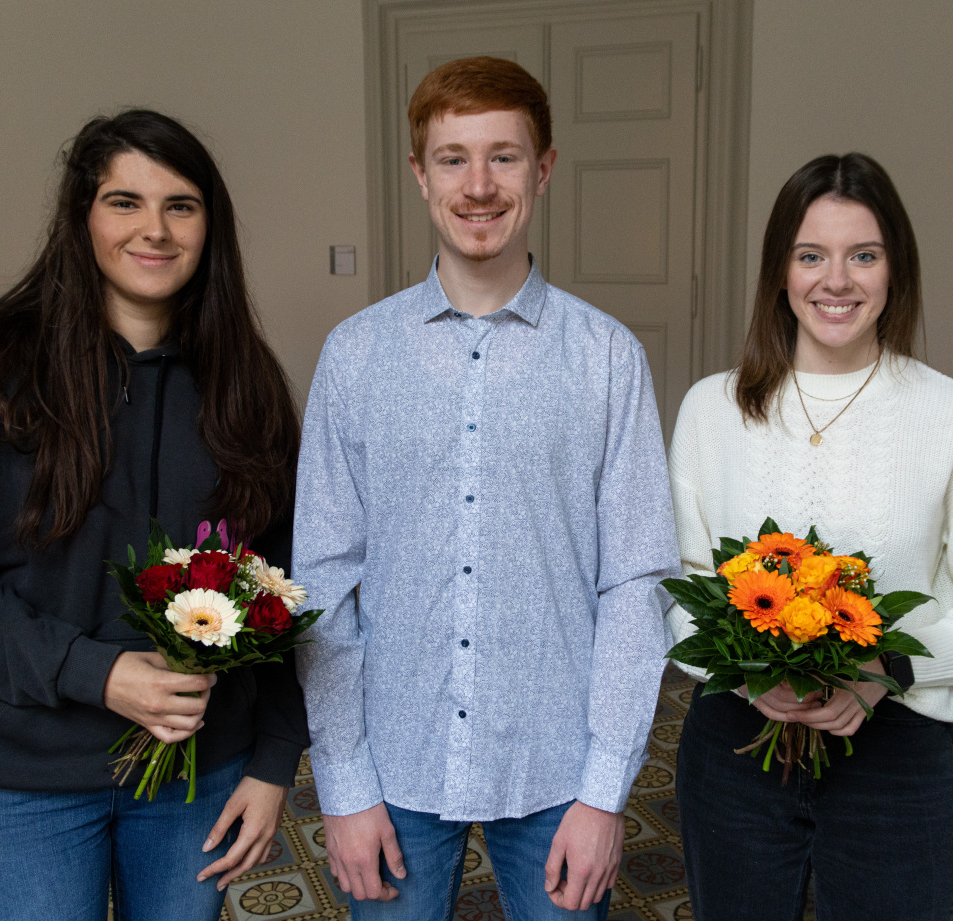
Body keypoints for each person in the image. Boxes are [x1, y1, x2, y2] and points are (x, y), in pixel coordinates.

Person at [0, 109, 308, 921]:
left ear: (209, 225)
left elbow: (283, 588)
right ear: (81, 216)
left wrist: (274, 761)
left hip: (198, 776)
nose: (154, 229)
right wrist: (98, 673)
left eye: (180, 205)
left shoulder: (246, 387)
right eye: (124, 201)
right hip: (23, 777)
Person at [292, 57, 679, 920]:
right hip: (394, 763)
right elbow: (323, 579)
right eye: (453, 157)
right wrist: (345, 783)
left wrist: (607, 789)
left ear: (542, 170)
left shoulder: (608, 357)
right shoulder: (355, 354)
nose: (478, 185)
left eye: (503, 156)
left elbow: (636, 582)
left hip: (557, 769)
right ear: (419, 173)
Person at [667, 153, 953, 921]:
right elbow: (676, 589)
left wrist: (886, 667)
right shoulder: (711, 410)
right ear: (781, 271)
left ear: (895, 270)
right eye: (811, 255)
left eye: (863, 256)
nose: (835, 281)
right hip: (736, 751)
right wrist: (748, 676)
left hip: (895, 759)